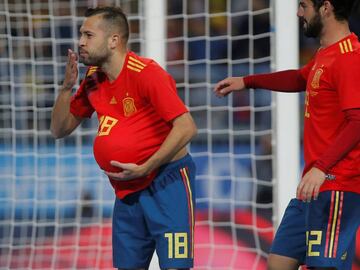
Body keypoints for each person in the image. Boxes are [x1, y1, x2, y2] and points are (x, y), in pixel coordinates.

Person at [214, 0, 360, 269]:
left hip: (337, 185)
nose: (298, 12)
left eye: (304, 5)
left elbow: (357, 122)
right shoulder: (326, 53)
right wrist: (246, 82)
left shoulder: (350, 57)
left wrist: (321, 168)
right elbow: (299, 78)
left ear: (325, 7)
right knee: (279, 261)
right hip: (314, 187)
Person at [50, 6, 197, 270]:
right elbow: (59, 130)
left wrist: (147, 166)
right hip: (126, 192)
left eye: (88, 35)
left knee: (176, 266)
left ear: (114, 40)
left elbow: (186, 128)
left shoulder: (146, 73)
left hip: (167, 184)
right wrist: (66, 88)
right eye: (80, 35)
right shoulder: (93, 78)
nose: (80, 42)